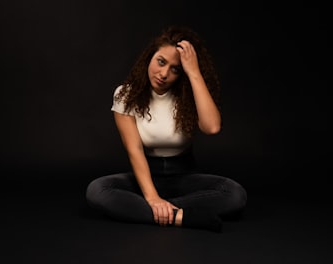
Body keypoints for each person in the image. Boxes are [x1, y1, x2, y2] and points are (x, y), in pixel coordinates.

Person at [85, 25, 247, 232]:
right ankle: (181, 217)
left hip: (183, 177)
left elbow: (212, 127)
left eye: (175, 69)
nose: (163, 74)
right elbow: (134, 150)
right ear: (149, 58)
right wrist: (152, 198)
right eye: (161, 62)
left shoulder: (188, 97)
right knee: (97, 190)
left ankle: (157, 211)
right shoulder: (125, 95)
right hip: (145, 176)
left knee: (235, 194)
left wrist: (194, 72)